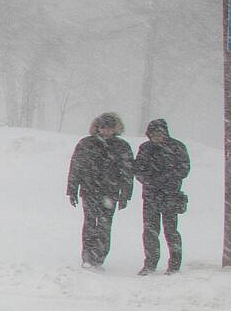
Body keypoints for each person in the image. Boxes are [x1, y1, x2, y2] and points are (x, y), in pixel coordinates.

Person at [66, 112, 135, 269]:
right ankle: (87, 257)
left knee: (104, 226)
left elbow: (127, 172)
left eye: (110, 128)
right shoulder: (86, 144)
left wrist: (125, 195)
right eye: (103, 127)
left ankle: (99, 257)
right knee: (89, 224)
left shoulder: (122, 146)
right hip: (89, 191)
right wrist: (72, 189)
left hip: (110, 192)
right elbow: (76, 167)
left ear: (115, 129)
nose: (106, 131)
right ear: (97, 128)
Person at [133, 118, 190, 275]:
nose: (157, 136)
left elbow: (184, 169)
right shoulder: (145, 148)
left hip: (171, 196)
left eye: (160, 133)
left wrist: (166, 179)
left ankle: (174, 265)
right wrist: (150, 181)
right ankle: (150, 263)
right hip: (150, 196)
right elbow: (137, 170)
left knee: (171, 231)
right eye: (154, 134)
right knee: (150, 231)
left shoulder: (177, 147)